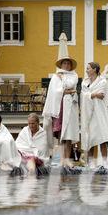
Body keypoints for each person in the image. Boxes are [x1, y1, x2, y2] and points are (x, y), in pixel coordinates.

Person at [42, 32, 80, 167]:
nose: (66, 65)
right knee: (60, 135)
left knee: (69, 134)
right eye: (64, 63)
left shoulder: (74, 75)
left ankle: (67, 159)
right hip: (59, 107)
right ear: (61, 64)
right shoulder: (55, 76)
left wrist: (66, 90)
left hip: (70, 106)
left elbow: (72, 88)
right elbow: (54, 91)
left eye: (68, 63)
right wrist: (65, 91)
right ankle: (60, 159)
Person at [80, 62, 108, 168]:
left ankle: (105, 163)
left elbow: (101, 95)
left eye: (88, 68)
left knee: (102, 138)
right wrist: (93, 94)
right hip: (88, 113)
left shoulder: (103, 81)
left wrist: (89, 94)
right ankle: (91, 163)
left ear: (94, 69)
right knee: (91, 139)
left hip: (99, 112)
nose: (86, 70)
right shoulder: (84, 82)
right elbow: (83, 95)